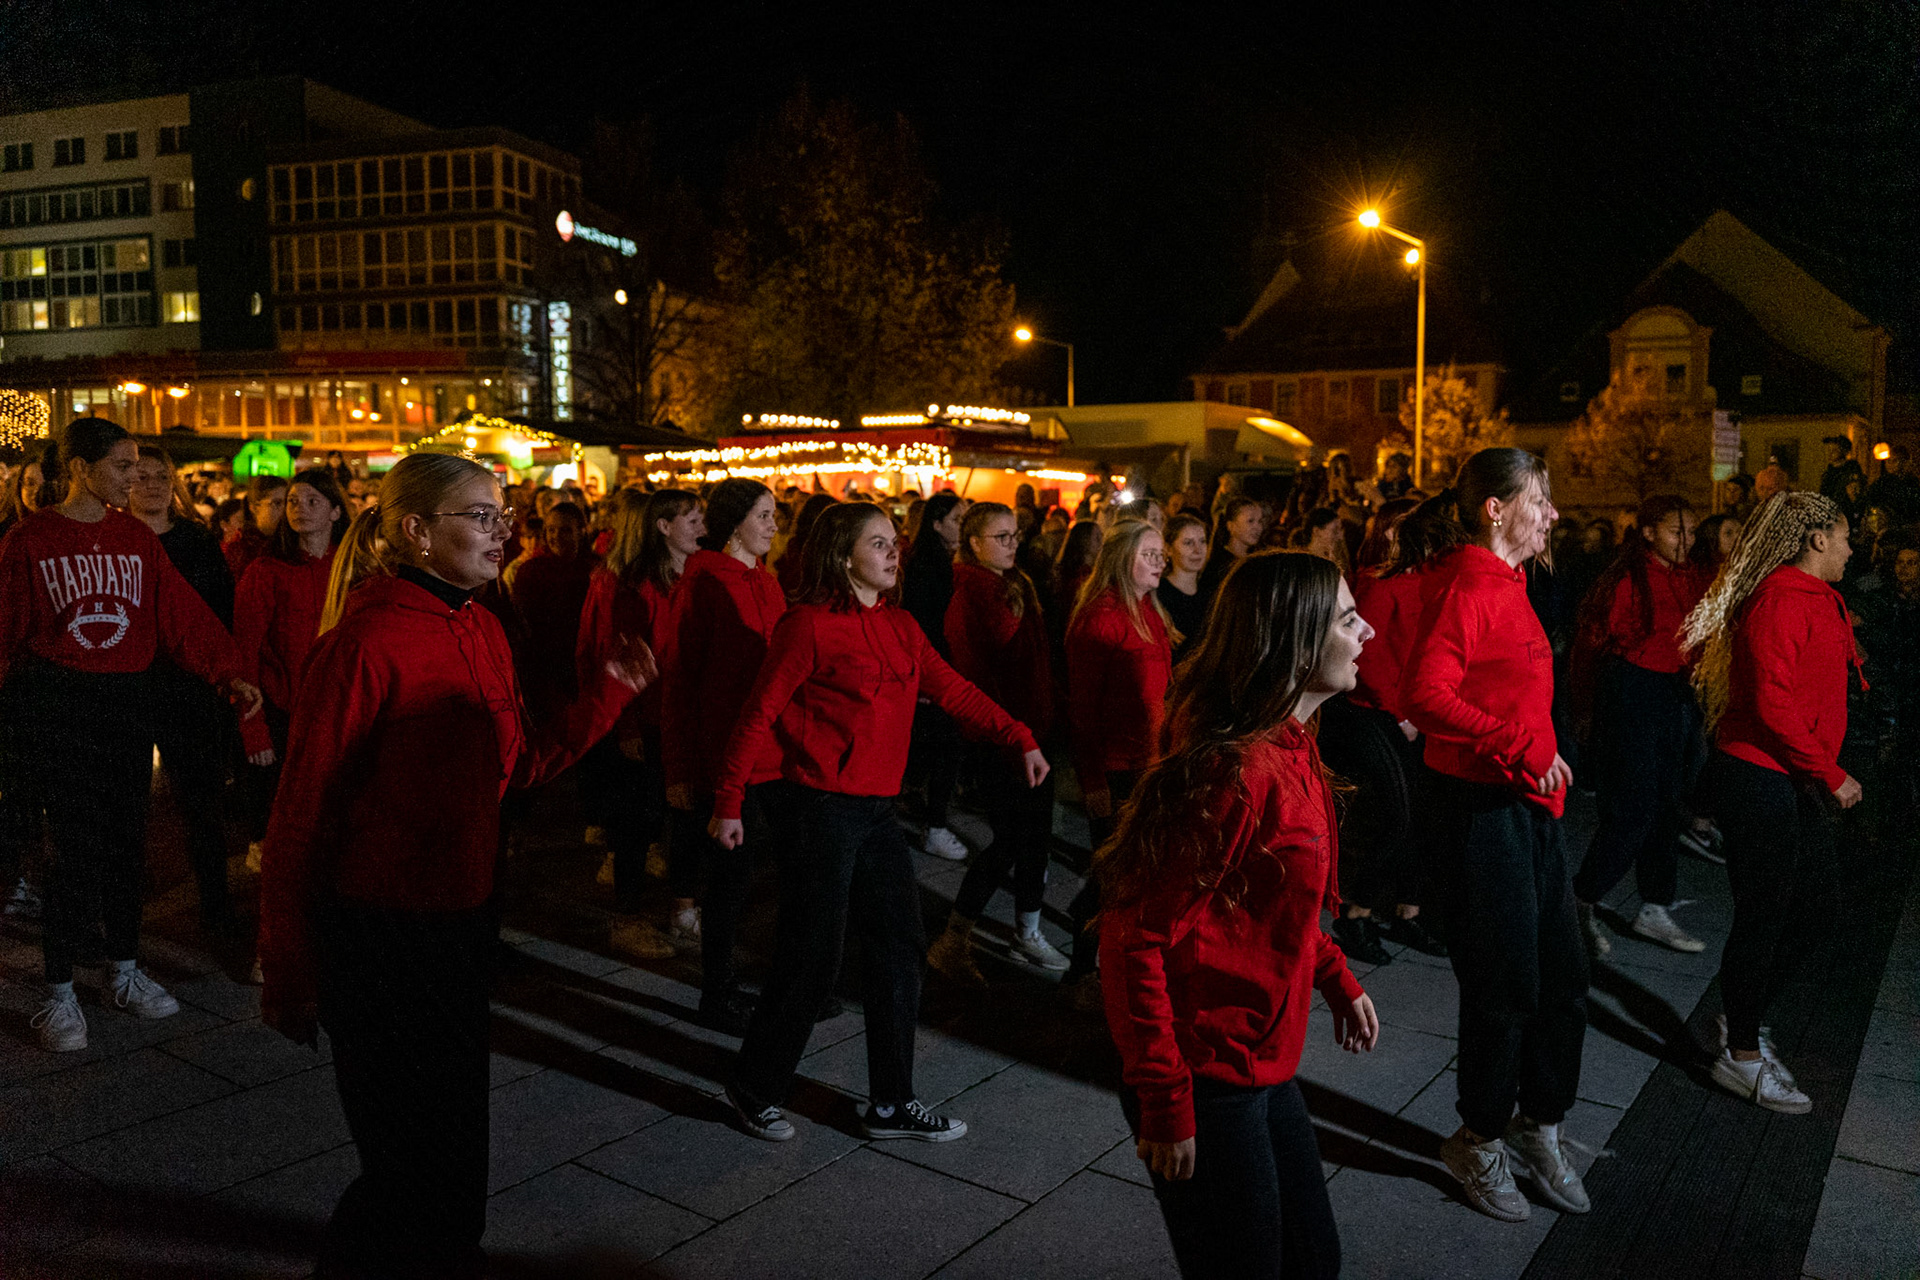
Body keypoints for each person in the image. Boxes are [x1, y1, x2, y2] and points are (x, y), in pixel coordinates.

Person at [258, 452, 648, 1278]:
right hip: (380, 937)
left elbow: (520, 767)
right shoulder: (364, 644)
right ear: (415, 531)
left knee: (458, 1150)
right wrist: (289, 966)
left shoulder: (483, 627)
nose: (502, 532)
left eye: (503, 516)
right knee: (402, 1169)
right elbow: (301, 815)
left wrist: (607, 695)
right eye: (480, 516)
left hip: (462, 926)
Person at [712, 503, 1044, 1143]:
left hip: (877, 813)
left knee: (900, 949)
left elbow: (953, 689)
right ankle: (753, 1088)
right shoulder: (807, 625)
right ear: (843, 556)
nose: (895, 553)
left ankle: (891, 1102)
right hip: (819, 811)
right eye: (879, 544)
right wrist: (728, 801)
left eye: (895, 542)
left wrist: (1019, 735)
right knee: (812, 957)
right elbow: (758, 715)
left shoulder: (901, 625)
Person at [1100, 551, 1379, 1280]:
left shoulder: (1293, 747)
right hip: (1204, 1071)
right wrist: (1165, 1099)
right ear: (1296, 641)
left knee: (1312, 1261)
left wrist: (1334, 976)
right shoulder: (1235, 772)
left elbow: (1276, 902)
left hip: (1260, 1060)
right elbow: (1133, 938)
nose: (1368, 632)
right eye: (1348, 620)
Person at [1, 419, 267, 1053]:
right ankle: (59, 990)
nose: (134, 477)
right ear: (81, 469)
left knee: (127, 837)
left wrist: (227, 670)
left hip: (126, 700)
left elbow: (178, 613)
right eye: (122, 466)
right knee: (72, 845)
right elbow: (6, 626)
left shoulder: (136, 538)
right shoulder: (30, 538)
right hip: (58, 703)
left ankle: (123, 968)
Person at [1399, 447, 1591, 1223]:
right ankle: (1476, 1139)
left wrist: (1544, 756)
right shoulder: (1469, 585)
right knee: (1504, 986)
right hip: (1482, 816)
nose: (1552, 514)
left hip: (1529, 813)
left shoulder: (1510, 583)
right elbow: (1425, 694)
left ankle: (1539, 1126)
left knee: (1564, 979)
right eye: (1540, 500)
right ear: (1495, 508)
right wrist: (1520, 748)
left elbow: (1512, 694)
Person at [1679, 491, 1860, 1114]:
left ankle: (1743, 1019)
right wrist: (1831, 773)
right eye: (1845, 537)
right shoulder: (1780, 598)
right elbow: (1769, 700)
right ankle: (1742, 1055)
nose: (1851, 549)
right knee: (1766, 914)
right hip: (1758, 776)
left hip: (1791, 776)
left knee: (1817, 909)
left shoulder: (1814, 595)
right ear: (1816, 540)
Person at [659, 477, 785, 1033]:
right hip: (727, 754)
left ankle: (776, 984)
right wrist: (680, 768)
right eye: (764, 516)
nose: (774, 526)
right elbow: (680, 680)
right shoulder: (704, 583)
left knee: (772, 878)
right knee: (730, 883)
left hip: (777, 755)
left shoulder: (767, 582)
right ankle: (718, 991)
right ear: (735, 523)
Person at [1566, 496, 1712, 957]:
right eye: (1675, 532)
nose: (1685, 541)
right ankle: (1581, 899)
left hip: (1673, 694)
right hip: (1631, 693)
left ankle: (1654, 905)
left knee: (1667, 807)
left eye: (1691, 532)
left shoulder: (1690, 576)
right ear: (1648, 533)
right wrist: (1585, 711)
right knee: (1634, 809)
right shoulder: (1628, 579)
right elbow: (1590, 646)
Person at [928, 501, 1066, 983]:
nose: (1012, 544)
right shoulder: (969, 596)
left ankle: (1028, 931)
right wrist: (1009, 735)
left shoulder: (1014, 583)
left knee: (1035, 839)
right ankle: (954, 937)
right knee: (1009, 841)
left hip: (1035, 730)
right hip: (1002, 739)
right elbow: (978, 680)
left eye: (1014, 536)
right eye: (1001, 537)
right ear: (974, 542)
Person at [578, 487, 704, 960]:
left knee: (685, 814)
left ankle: (682, 909)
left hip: (682, 720)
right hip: (646, 720)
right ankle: (626, 917)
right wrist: (627, 725)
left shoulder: (693, 577)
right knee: (638, 820)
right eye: (693, 520)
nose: (704, 528)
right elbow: (620, 655)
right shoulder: (631, 584)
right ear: (663, 527)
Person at [128, 444, 245, 936]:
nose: (153, 485)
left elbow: (220, 609)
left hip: (188, 686)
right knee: (127, 802)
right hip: (129, 685)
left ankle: (215, 905)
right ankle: (125, 903)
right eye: (142, 476)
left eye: (161, 476)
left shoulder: (196, 540)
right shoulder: (114, 540)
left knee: (201, 801)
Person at [1324, 496, 1446, 965]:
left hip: (1417, 713)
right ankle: (1355, 914)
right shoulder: (1378, 581)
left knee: (1423, 815)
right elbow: (1369, 660)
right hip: (1377, 714)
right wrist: (1402, 715)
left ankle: (1407, 911)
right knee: (1394, 817)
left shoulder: (1424, 576)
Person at [1062, 519, 1174, 1000]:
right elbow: (1082, 711)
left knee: (1134, 871)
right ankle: (1080, 971)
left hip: (1151, 762)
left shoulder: (1148, 609)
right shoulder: (1100, 619)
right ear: (1120, 559)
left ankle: (1120, 961)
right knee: (1114, 877)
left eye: (1161, 553)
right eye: (1148, 554)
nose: (1159, 561)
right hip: (1118, 767)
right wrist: (1093, 782)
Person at [234, 468, 351, 867]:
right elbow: (245, 652)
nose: (300, 509)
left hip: (339, 711)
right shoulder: (265, 572)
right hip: (284, 712)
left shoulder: (352, 571)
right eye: (293, 502)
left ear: (335, 511)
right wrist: (254, 730)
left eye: (312, 501)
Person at [900, 491, 971, 861]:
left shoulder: (940, 561)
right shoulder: (930, 566)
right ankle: (936, 825)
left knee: (933, 743)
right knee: (947, 744)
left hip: (937, 667)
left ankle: (918, 801)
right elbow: (927, 624)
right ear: (937, 524)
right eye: (957, 519)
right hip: (936, 668)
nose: (962, 526)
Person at [508, 500, 599, 723]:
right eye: (550, 530)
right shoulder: (531, 571)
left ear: (581, 531)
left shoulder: (596, 570)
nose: (556, 536)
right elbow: (524, 625)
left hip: (590, 667)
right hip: (545, 670)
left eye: (565, 530)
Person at [1155, 512, 1209, 663]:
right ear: (1169, 549)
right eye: (1188, 543)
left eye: (1202, 541)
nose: (1198, 550)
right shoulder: (1157, 595)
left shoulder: (1211, 592)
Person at [1198, 495, 1264, 604]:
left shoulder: (1257, 560)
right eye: (1250, 521)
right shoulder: (1219, 566)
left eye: (1260, 521)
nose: (1257, 527)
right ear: (1231, 526)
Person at [224, 474, 288, 580]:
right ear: (254, 507)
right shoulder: (241, 550)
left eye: (288, 502)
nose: (285, 509)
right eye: (277, 503)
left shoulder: (290, 543)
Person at [1866, 443, 1920, 526]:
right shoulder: (1882, 482)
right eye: (1889, 460)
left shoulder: (1912, 482)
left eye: (1894, 461)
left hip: (1906, 526)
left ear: (1905, 462)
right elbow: (1872, 501)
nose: (1890, 464)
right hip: (1886, 525)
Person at [1818, 436, 1866, 526]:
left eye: (1834, 450)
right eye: (1828, 449)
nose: (1830, 453)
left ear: (1844, 451)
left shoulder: (1851, 471)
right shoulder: (1828, 473)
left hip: (1844, 517)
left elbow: (1854, 497)